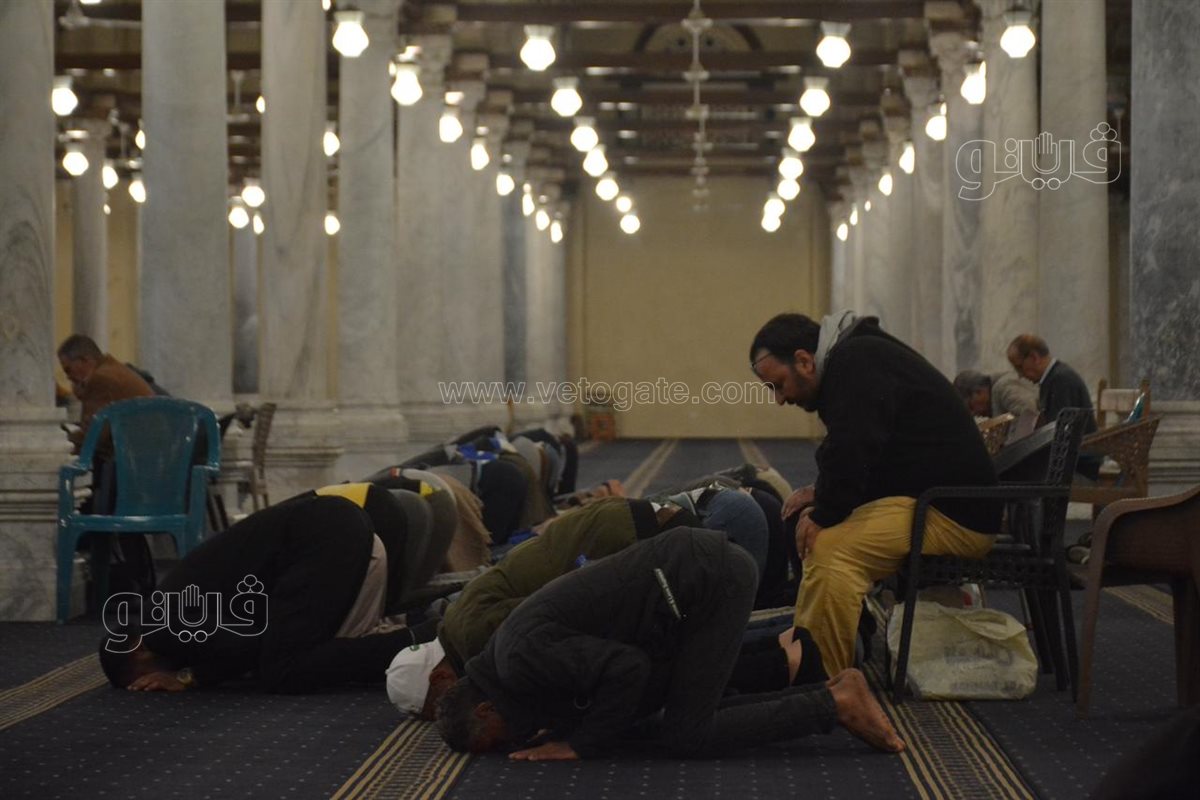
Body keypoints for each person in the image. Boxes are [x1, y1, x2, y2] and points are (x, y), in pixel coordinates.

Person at [435, 528, 904, 759]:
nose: (513, 742)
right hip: (691, 578)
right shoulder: (507, 660)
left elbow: (628, 670)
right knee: (668, 717)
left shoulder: (518, 660)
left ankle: (834, 704)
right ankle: (828, 690)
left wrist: (576, 745)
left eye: (499, 740)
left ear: (486, 710)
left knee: (686, 733)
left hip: (704, 580)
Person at [748, 311, 1002, 676]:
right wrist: (820, 495)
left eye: (778, 385)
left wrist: (824, 511)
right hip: (932, 500)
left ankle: (827, 682)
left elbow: (853, 449)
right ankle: (831, 647)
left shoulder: (855, 362)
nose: (779, 399)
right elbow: (861, 449)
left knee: (830, 549)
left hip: (954, 514)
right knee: (814, 528)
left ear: (804, 361)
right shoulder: (855, 358)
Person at [98, 493, 438, 694]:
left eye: (141, 681)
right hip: (332, 529)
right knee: (310, 649)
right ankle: (424, 623)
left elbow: (246, 645)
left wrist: (188, 678)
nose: (151, 685)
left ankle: (430, 635)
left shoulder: (160, 626)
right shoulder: (167, 607)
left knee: (283, 670)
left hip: (322, 538)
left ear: (138, 653)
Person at [1006, 333, 1100, 477]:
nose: (1020, 375)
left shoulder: (1061, 380)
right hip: (1069, 459)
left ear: (1034, 358)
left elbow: (1061, 433)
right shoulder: (1052, 378)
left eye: (1019, 367)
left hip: (1079, 464)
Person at [57, 334, 154, 456]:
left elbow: (93, 435)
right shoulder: (112, 369)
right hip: (151, 449)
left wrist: (61, 440)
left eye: (68, 370)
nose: (68, 377)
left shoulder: (101, 379)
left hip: (136, 455)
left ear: (84, 360)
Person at [953, 369, 1038, 419]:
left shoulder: (1004, 387)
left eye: (971, 407)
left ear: (979, 392)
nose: (974, 414)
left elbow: (1029, 415)